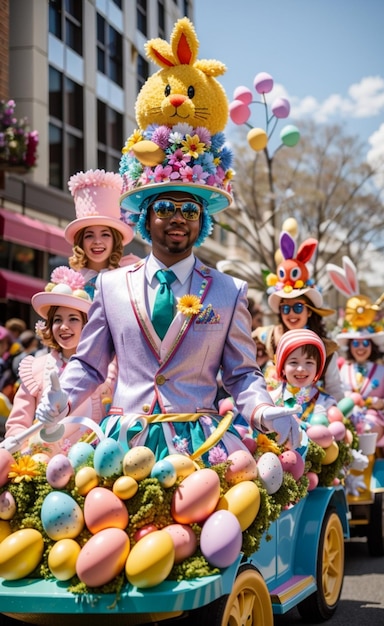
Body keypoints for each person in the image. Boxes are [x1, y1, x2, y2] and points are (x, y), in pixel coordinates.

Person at [34, 17, 301, 460]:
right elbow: (88, 363)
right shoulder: (109, 286)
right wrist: (61, 394)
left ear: (202, 221)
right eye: (165, 207)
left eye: (189, 209)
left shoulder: (229, 292)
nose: (177, 218)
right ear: (145, 218)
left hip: (201, 446)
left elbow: (241, 376)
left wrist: (263, 410)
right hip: (120, 445)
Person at [4, 267, 112, 456]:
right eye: (57, 320)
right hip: (40, 466)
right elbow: (18, 422)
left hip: (88, 468)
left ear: (87, 325)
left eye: (73, 319)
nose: (64, 326)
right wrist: (23, 452)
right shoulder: (36, 368)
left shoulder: (104, 372)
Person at [327, 255, 384, 456]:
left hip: (373, 420)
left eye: (365, 343)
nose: (360, 347)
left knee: (368, 429)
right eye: (356, 343)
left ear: (372, 345)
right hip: (344, 418)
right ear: (350, 345)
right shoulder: (341, 368)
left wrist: (382, 404)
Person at [262, 231, 343, 401]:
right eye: (285, 308)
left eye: (298, 307)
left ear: (310, 310)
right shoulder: (268, 341)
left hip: (315, 416)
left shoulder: (326, 350)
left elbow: (334, 389)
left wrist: (338, 420)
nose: (291, 313)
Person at [66, 169, 136, 299]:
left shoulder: (130, 277)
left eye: (105, 234)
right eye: (89, 235)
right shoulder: (68, 284)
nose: (97, 241)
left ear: (115, 240)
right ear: (80, 241)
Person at [269, 329, 337, 420]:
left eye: (309, 362)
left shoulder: (326, 403)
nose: (301, 369)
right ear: (282, 367)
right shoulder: (269, 401)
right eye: (293, 362)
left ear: (318, 367)